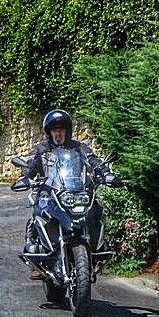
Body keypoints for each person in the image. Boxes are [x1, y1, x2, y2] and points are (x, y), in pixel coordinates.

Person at [14, 109, 115, 279]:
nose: (58, 132)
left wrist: (105, 173)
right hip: (49, 193)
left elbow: (93, 160)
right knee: (38, 211)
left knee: (96, 210)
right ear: (49, 132)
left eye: (61, 129)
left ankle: (99, 247)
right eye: (55, 129)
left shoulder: (79, 148)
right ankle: (34, 255)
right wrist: (25, 177)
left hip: (74, 191)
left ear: (67, 131)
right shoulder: (41, 149)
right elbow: (31, 164)